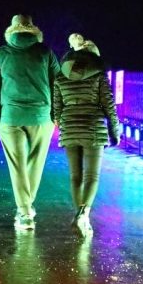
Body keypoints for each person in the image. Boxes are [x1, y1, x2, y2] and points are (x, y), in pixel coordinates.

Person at [0, 14, 61, 231]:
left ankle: (25, 211)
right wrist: (55, 115)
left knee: (16, 165)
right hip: (41, 116)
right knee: (35, 163)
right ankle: (27, 206)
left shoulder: (1, 54)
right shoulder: (45, 53)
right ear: (33, 31)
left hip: (10, 117)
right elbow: (58, 85)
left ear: (12, 31)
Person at [52, 39, 120, 236]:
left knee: (75, 176)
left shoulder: (60, 76)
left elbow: (57, 110)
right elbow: (109, 106)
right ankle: (84, 214)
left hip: (70, 128)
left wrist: (64, 125)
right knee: (92, 176)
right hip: (93, 128)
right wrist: (115, 132)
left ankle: (79, 214)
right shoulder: (99, 76)